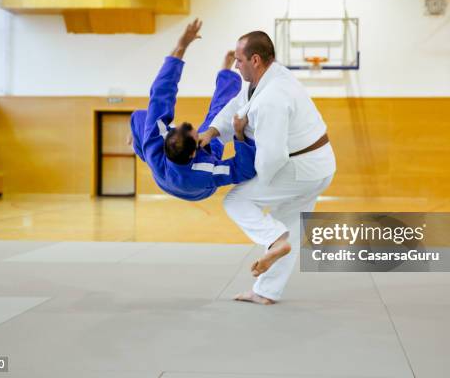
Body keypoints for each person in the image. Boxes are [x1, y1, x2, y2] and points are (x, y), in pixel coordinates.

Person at [199, 31, 336, 304]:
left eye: (239, 60)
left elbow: (272, 157)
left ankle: (274, 241)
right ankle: (266, 291)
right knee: (289, 224)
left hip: (300, 167)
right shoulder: (268, 78)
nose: (236, 66)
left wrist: (250, 167)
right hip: (318, 165)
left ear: (256, 60)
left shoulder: (273, 97)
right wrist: (213, 131)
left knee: (237, 200)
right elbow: (236, 106)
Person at [130, 19, 256, 201]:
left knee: (142, 117)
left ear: (165, 141)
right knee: (217, 115)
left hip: (163, 175)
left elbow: (161, 91)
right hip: (198, 190)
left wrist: (181, 47)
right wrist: (239, 136)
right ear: (194, 152)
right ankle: (227, 75)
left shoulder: (154, 144)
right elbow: (243, 170)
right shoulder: (206, 170)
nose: (201, 133)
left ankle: (135, 142)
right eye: (198, 136)